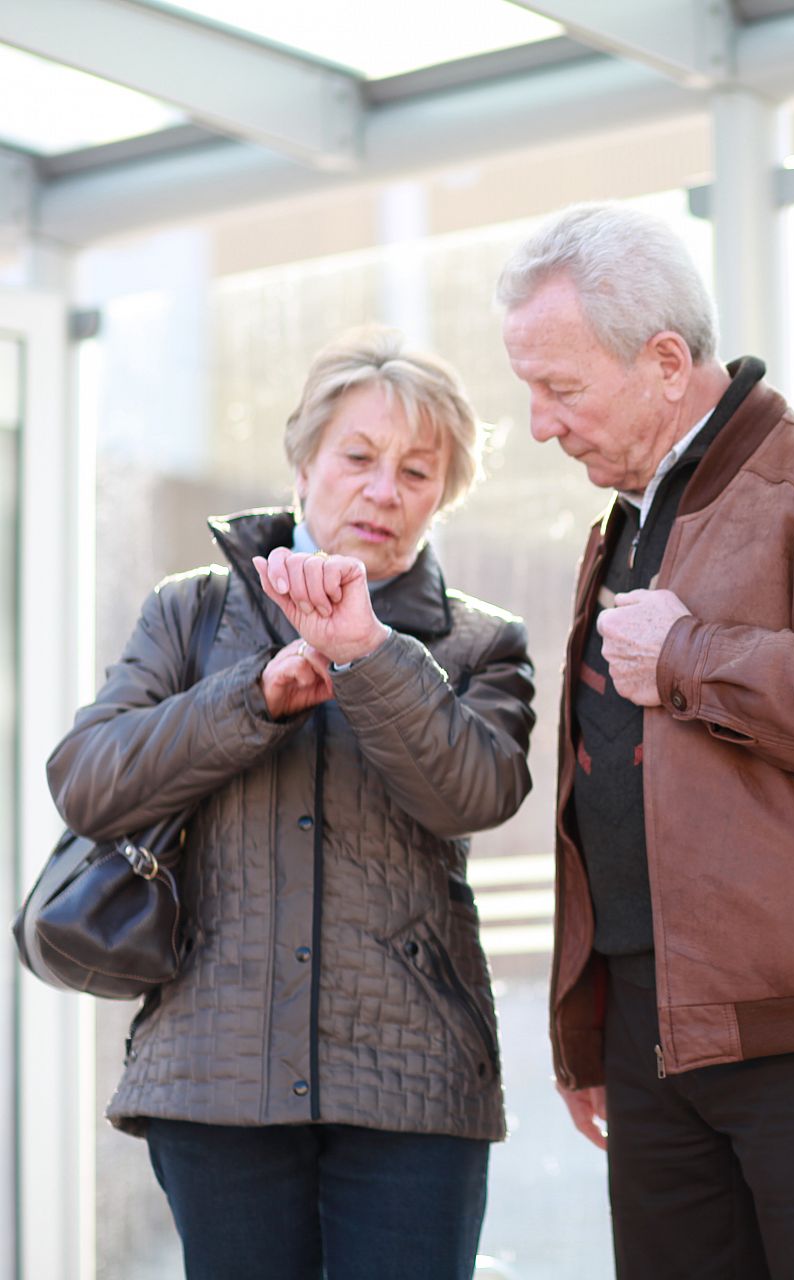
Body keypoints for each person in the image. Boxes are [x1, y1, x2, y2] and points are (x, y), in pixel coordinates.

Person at [497, 202, 794, 1280]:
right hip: (655, 1031)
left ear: (667, 360)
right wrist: (594, 1027)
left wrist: (694, 657)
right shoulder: (627, 520)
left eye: (560, 388)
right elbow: (613, 791)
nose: (537, 423)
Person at [47, 328, 536, 1280]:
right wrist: (251, 698)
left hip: (414, 1090)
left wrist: (368, 655)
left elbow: (475, 793)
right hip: (215, 1083)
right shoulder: (189, 612)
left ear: (445, 493)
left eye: (418, 472)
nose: (384, 491)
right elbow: (87, 778)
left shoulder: (482, 641)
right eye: (358, 457)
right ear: (305, 459)